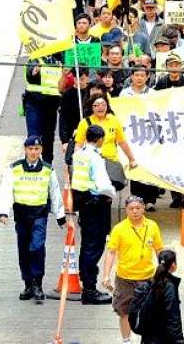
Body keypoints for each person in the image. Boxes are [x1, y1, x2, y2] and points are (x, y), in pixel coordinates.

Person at [0, 136, 66, 304]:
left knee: (37, 247)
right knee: (24, 250)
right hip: (21, 215)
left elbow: (55, 192)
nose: (33, 152)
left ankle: (37, 283)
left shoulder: (48, 169)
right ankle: (28, 284)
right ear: (25, 150)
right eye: (30, 149)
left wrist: (60, 215)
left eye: (36, 149)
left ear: (41, 150)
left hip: (39, 215)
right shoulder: (15, 168)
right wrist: (3, 212)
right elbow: (6, 189)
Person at [102, 196, 164, 344]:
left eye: (138, 208)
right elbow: (111, 252)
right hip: (125, 279)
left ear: (143, 209)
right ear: (126, 210)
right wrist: (106, 275)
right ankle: (126, 340)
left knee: (149, 312)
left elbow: (159, 249)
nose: (135, 211)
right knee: (124, 312)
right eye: (131, 209)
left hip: (147, 277)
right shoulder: (119, 229)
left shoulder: (152, 226)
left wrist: (163, 271)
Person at [72, 125, 116, 305]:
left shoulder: (78, 155)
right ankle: (90, 290)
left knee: (87, 246)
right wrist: (112, 193)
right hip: (96, 205)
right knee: (94, 247)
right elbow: (103, 184)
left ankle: (87, 285)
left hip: (84, 205)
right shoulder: (95, 158)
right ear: (100, 139)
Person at [74, 94, 137, 192]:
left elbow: (122, 142)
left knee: (112, 187)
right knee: (93, 188)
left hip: (111, 162)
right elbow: (79, 144)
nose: (101, 107)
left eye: (103, 104)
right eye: (97, 105)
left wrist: (131, 159)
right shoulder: (84, 123)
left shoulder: (114, 120)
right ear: (91, 107)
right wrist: (78, 160)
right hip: (91, 162)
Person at [137, 249, 184, 344]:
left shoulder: (151, 282)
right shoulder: (170, 286)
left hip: (148, 337)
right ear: (173, 265)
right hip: (164, 338)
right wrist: (179, 339)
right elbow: (172, 316)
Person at [23, 55, 62, 164]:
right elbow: (30, 75)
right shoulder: (35, 59)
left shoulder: (57, 62)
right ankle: (30, 165)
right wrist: (34, 71)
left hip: (51, 103)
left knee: (48, 137)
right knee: (33, 137)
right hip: (34, 101)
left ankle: (47, 164)